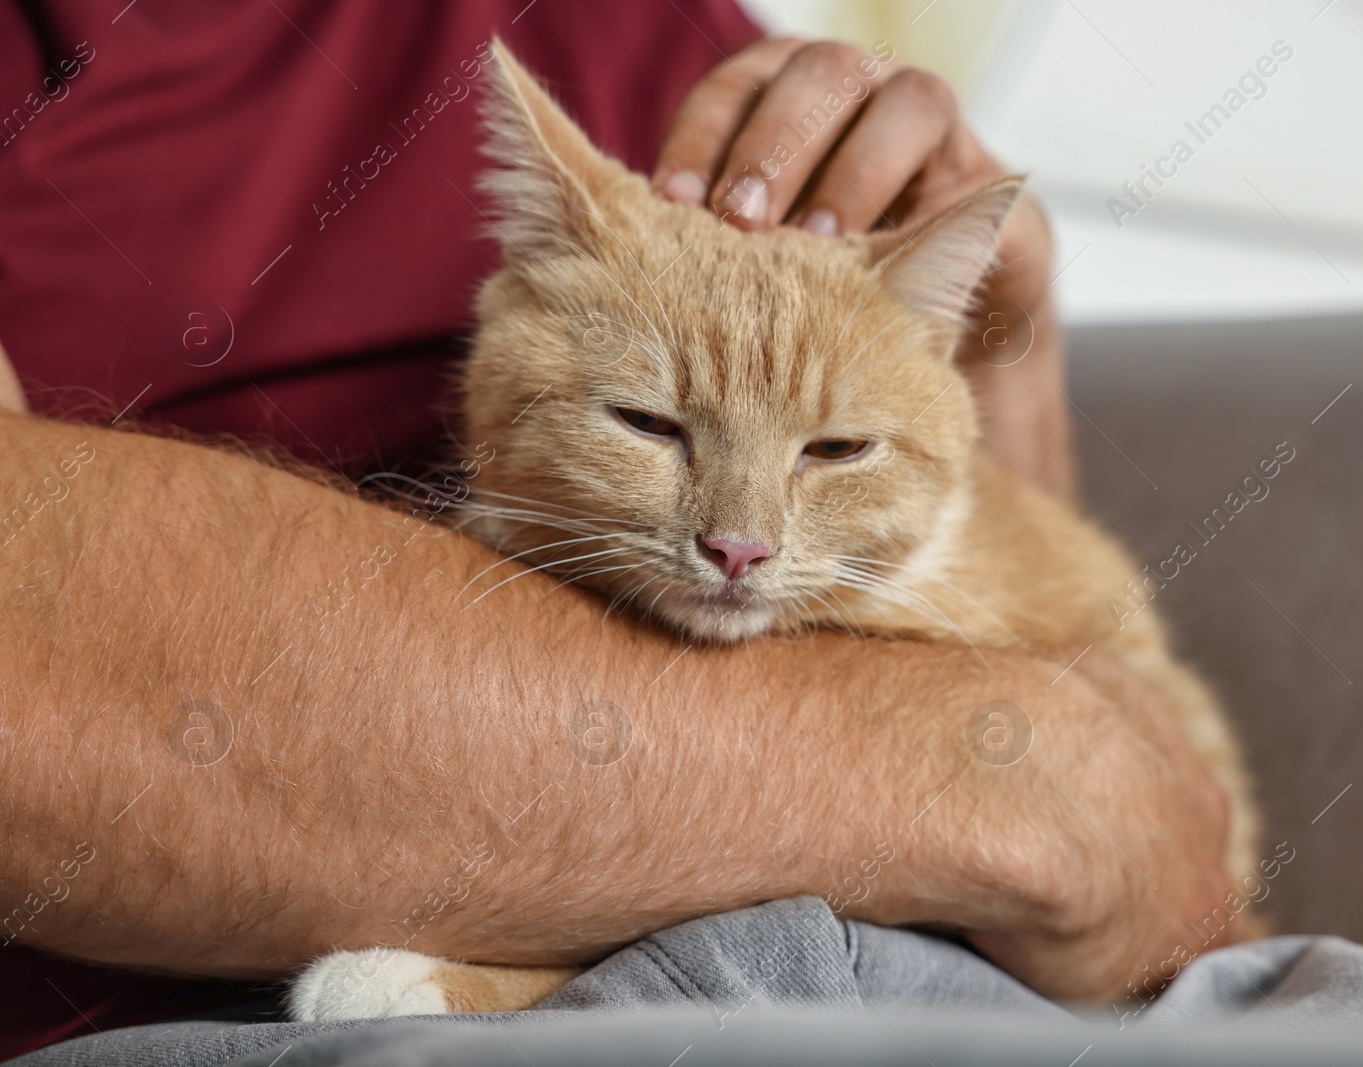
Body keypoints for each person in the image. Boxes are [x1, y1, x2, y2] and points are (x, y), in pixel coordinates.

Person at [0, 0, 1234, 1058]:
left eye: (830, 452)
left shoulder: (674, 52)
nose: (738, 536)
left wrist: (1005, 346)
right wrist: (1017, 778)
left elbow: (1174, 857)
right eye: (650, 424)